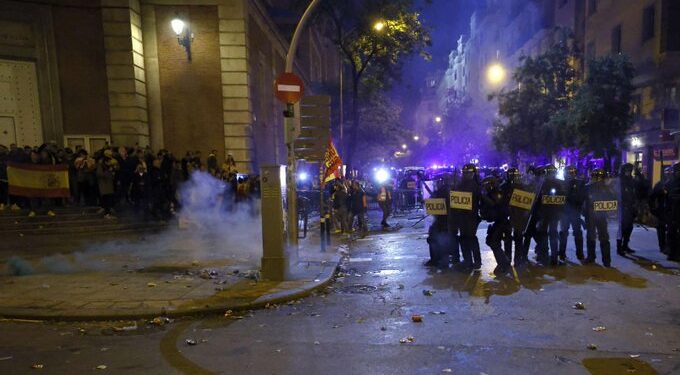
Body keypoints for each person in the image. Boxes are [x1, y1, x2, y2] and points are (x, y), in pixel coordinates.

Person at [449, 164, 482, 271]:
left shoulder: (476, 186)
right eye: (465, 173)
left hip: (471, 217)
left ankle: (476, 262)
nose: (467, 175)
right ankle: (468, 261)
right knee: (463, 239)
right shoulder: (460, 184)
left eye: (469, 173)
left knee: (471, 239)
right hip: (462, 217)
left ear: (473, 174)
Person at [480, 176, 512, 275]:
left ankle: (504, 264)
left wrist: (485, 199)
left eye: (486, 185)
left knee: (493, 242)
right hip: (498, 222)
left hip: (501, 222)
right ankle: (503, 262)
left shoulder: (497, 194)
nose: (485, 187)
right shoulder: (493, 194)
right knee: (491, 241)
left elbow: (497, 207)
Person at [534, 164, 565, 265]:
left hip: (547, 214)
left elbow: (563, 200)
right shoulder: (557, 183)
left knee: (546, 235)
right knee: (550, 235)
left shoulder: (543, 184)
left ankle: (545, 256)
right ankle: (550, 257)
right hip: (549, 214)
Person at [584, 168, 615, 267]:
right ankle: (606, 261)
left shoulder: (589, 188)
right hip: (597, 216)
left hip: (596, 216)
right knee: (601, 237)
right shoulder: (606, 188)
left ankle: (593, 257)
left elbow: (613, 202)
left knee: (594, 237)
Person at [501, 167, 531, 266]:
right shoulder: (504, 186)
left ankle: (518, 259)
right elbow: (502, 201)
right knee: (508, 238)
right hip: (508, 215)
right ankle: (507, 258)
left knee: (518, 237)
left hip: (518, 215)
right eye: (512, 175)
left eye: (515, 175)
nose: (514, 177)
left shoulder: (522, 186)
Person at [559, 165, 586, 260]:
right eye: (570, 173)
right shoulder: (562, 183)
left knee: (577, 233)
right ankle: (562, 253)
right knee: (564, 233)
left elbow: (582, 197)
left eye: (573, 173)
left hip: (575, 211)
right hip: (565, 212)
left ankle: (580, 253)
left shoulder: (580, 183)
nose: (571, 175)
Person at [425, 176, 450, 268]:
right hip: (443, 219)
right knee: (440, 239)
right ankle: (440, 259)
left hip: (443, 219)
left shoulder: (443, 192)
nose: (436, 184)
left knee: (436, 239)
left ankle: (437, 260)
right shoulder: (447, 190)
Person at [617, 163, 638, 255]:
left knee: (629, 228)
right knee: (621, 229)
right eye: (627, 170)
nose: (628, 172)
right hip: (621, 208)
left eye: (630, 170)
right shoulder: (619, 181)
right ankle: (619, 248)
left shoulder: (631, 181)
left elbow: (636, 191)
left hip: (630, 207)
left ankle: (625, 245)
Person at [649, 167, 671, 254]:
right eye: (667, 173)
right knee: (661, 229)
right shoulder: (659, 185)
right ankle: (663, 246)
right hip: (662, 210)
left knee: (670, 229)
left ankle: (670, 246)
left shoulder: (674, 183)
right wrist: (653, 209)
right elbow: (652, 197)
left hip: (671, 210)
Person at [97, 149, 119, 219]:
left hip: (109, 185)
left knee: (109, 199)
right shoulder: (101, 165)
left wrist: (113, 170)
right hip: (104, 185)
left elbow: (114, 172)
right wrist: (108, 171)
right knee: (106, 199)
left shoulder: (110, 165)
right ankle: (106, 213)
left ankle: (107, 212)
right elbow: (99, 174)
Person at [665, 163, 680, 262]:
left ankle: (674, 253)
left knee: (674, 234)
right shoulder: (670, 183)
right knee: (672, 234)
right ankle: (672, 253)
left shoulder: (670, 183)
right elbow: (665, 198)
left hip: (674, 213)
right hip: (672, 213)